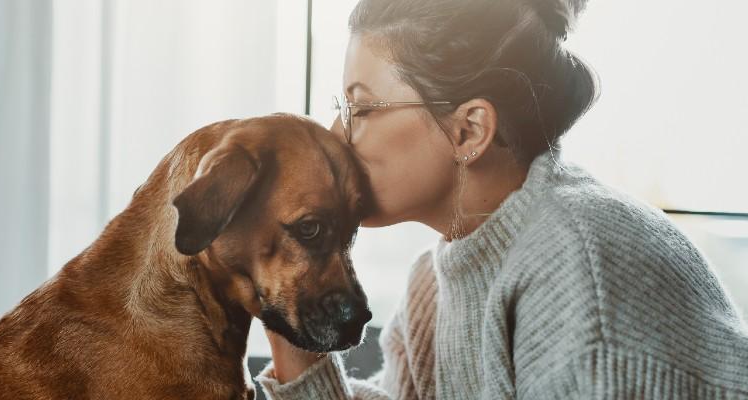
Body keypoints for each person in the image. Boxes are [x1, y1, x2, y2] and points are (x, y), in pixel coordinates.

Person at [256, 0, 748, 398]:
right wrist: (287, 303)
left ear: (469, 130)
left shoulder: (579, 265)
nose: (335, 135)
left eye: (361, 107)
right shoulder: (434, 282)